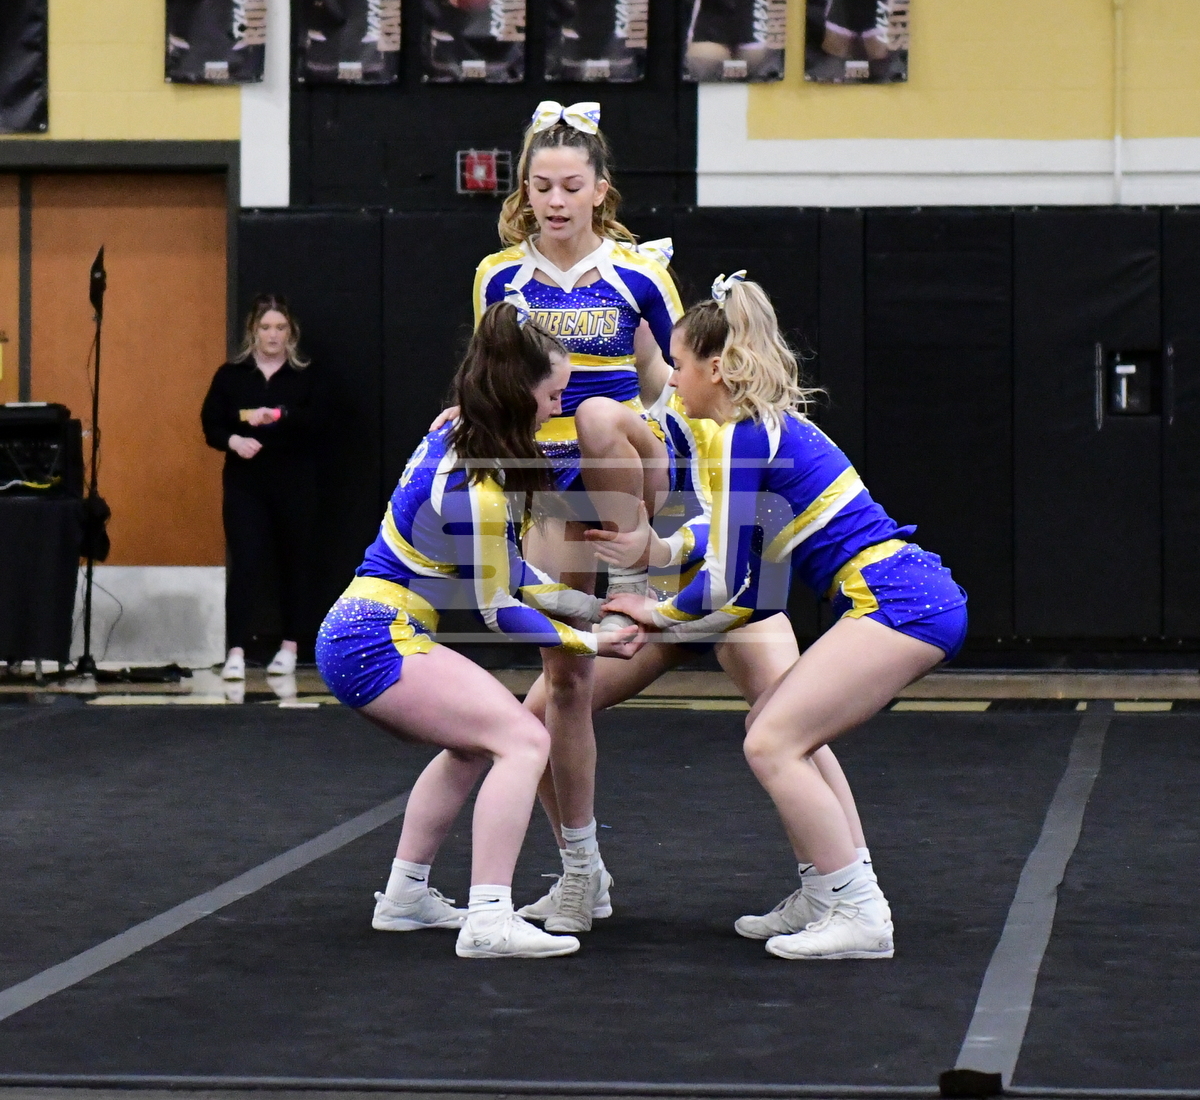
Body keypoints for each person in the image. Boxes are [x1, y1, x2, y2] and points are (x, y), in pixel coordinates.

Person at [604, 272, 968, 960]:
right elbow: (740, 582)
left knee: (771, 741)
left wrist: (655, 614)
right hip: (902, 595)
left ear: (716, 368)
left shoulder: (744, 441)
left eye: (678, 365)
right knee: (774, 728)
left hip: (900, 601)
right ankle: (828, 891)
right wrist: (666, 600)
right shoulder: (756, 434)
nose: (672, 380)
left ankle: (859, 911)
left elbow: (728, 585)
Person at [316, 299, 643, 960]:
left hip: (366, 631)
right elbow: (501, 609)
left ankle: (405, 896)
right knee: (524, 740)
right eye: (552, 396)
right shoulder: (479, 485)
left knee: (473, 745)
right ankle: (490, 917)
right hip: (374, 638)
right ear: (519, 393)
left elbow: (516, 573)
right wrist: (592, 643)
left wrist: (592, 610)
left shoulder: (458, 437)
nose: (557, 409)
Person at [518, 385, 880, 938]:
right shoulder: (650, 420)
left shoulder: (722, 426)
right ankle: (582, 872)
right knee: (538, 717)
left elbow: (733, 528)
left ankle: (846, 890)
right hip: (660, 603)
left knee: (792, 727)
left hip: (722, 599)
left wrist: (658, 556)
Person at [467, 100, 684, 933]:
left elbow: (679, 374)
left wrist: (677, 453)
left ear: (600, 190)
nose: (555, 201)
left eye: (570, 186)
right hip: (548, 479)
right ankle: (581, 871)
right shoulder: (500, 276)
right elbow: (491, 378)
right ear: (524, 191)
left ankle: (636, 560)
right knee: (565, 679)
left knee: (594, 416)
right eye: (541, 186)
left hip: (628, 454)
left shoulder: (638, 272)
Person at [201, 294, 323, 683]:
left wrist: (279, 415)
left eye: (280, 328)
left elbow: (321, 420)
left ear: (291, 333)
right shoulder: (231, 375)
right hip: (246, 484)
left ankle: (290, 647)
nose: (273, 335)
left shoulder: (305, 376)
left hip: (294, 482)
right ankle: (236, 650)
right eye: (266, 327)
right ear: (253, 331)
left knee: (294, 563)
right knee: (246, 563)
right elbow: (211, 424)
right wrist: (234, 441)